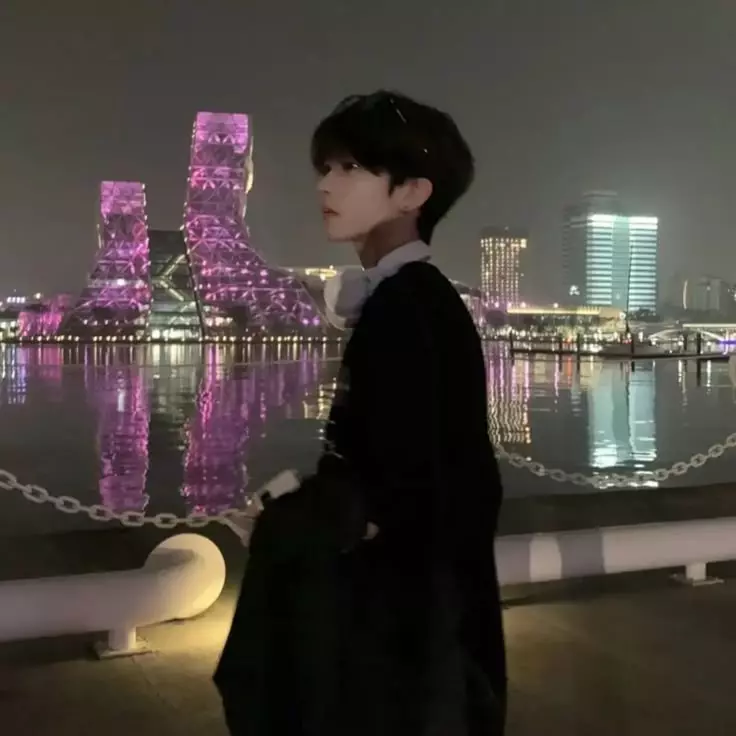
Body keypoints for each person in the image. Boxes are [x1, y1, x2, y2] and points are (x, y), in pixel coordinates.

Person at [214, 90, 506, 736]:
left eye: (351, 168)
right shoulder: (414, 297)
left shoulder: (405, 306)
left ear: (413, 192)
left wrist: (294, 518)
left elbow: (404, 476)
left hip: (401, 620)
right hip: (419, 602)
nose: (326, 184)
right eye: (326, 167)